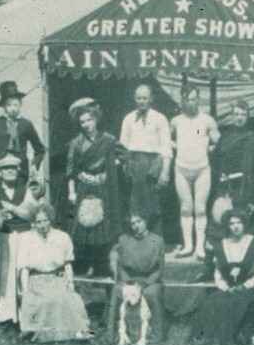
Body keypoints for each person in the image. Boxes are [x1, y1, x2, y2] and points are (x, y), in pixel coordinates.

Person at [66, 98, 128, 274]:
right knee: (84, 227)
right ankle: (85, 265)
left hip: (104, 188)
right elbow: (70, 170)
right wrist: (71, 191)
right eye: (82, 122)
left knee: (104, 228)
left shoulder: (108, 139)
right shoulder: (76, 143)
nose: (86, 124)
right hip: (84, 187)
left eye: (89, 120)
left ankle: (103, 266)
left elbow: (124, 155)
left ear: (96, 119)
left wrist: (112, 164)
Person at [189, 210, 254, 345]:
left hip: (249, 288)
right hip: (229, 288)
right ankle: (205, 337)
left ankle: (231, 339)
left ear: (244, 225)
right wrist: (224, 286)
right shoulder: (222, 244)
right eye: (232, 224)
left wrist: (248, 284)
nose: (236, 226)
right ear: (228, 226)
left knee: (236, 303)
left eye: (239, 223)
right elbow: (218, 272)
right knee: (210, 302)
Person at [16, 203, 92, 342]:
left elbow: (67, 264)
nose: (42, 225)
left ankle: (72, 333)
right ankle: (35, 332)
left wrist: (71, 285)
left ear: (50, 220)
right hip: (37, 281)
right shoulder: (26, 239)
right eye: (38, 222)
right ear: (34, 223)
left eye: (45, 221)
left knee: (67, 299)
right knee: (44, 301)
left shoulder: (62, 237)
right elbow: (24, 269)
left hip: (57, 279)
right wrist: (25, 290)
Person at [0, 152, 37, 330]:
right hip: (3, 236)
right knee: (4, 279)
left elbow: (31, 213)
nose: (11, 171)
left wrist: (12, 208)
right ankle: (3, 319)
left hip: (24, 236)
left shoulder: (25, 188)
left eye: (14, 168)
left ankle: (26, 320)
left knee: (23, 276)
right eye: (6, 168)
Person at [169, 87, 219, 259]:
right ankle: (187, 245)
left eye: (193, 99)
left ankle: (200, 247)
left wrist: (210, 146)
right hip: (181, 168)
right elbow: (165, 139)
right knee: (185, 208)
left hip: (202, 169)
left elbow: (217, 140)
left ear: (198, 99)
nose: (190, 103)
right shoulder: (176, 121)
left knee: (200, 208)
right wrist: (175, 146)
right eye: (187, 100)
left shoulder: (206, 120)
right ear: (182, 101)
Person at [210, 99, 254, 243]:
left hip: (246, 192)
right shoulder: (224, 139)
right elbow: (216, 167)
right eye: (236, 114)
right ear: (231, 116)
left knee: (245, 231)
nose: (239, 118)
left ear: (247, 116)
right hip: (226, 192)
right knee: (225, 230)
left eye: (243, 114)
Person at [118, 83, 171, 237]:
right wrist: (125, 166)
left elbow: (166, 147)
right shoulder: (128, 119)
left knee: (153, 205)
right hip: (133, 166)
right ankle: (136, 240)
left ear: (151, 99)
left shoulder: (159, 118)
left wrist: (165, 172)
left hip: (152, 165)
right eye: (139, 98)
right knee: (134, 204)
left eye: (145, 98)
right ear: (135, 99)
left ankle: (155, 241)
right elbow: (123, 145)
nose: (141, 101)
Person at [106, 213, 166, 344]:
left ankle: (156, 336)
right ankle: (112, 336)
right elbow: (120, 266)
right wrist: (128, 281)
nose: (136, 226)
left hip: (150, 280)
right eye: (133, 223)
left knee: (152, 293)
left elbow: (159, 269)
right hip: (129, 279)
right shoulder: (124, 240)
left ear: (145, 221)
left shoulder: (157, 240)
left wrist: (148, 282)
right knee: (117, 290)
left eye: (139, 221)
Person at [0, 81, 45, 183]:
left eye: (15, 104)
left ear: (20, 104)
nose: (13, 109)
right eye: (9, 105)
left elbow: (40, 150)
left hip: (20, 173)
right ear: (4, 106)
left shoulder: (26, 124)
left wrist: (34, 165)